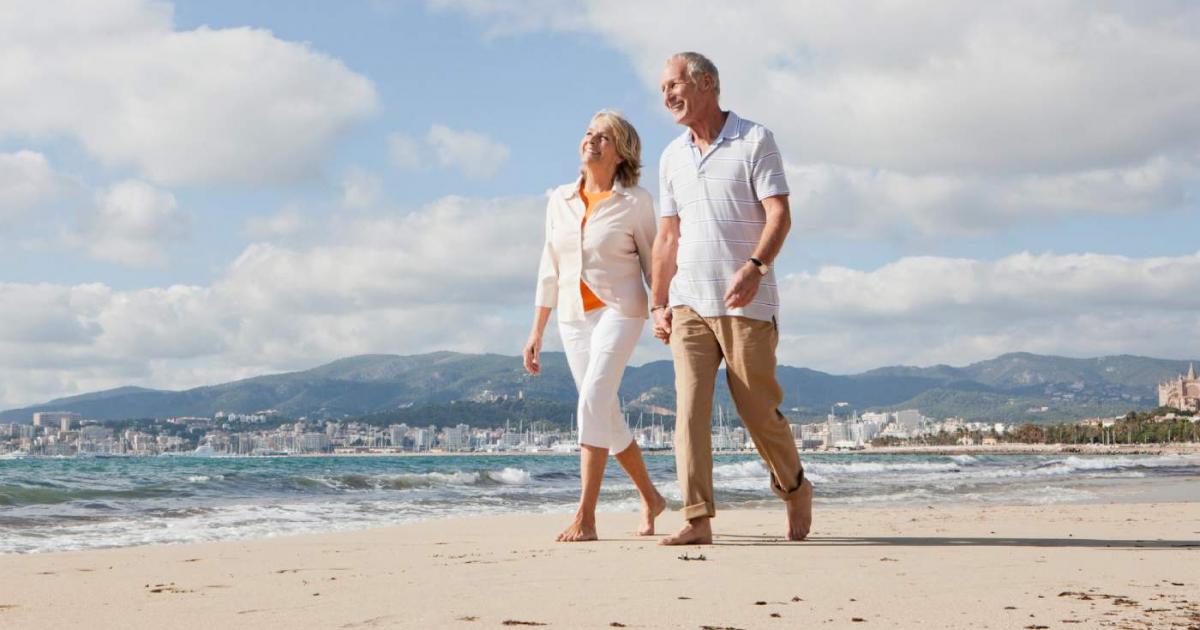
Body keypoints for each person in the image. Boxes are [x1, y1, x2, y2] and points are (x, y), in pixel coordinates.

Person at [650, 52, 814, 545]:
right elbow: (667, 238)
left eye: (674, 85)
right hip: (689, 303)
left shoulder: (755, 139)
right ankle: (697, 518)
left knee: (756, 411)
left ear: (706, 84)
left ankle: (794, 486)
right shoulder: (671, 156)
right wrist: (658, 302)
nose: (667, 96)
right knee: (689, 411)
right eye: (662, 89)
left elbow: (779, 215)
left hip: (746, 301)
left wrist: (756, 267)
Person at [524, 110, 668, 542]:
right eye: (589, 133)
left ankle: (585, 515)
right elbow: (548, 268)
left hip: (620, 309)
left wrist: (661, 307)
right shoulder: (559, 200)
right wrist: (537, 331)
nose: (592, 141)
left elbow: (652, 259)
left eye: (604, 137)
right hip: (572, 317)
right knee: (604, 410)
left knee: (591, 401)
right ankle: (652, 497)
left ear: (621, 151)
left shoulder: (636, 201)